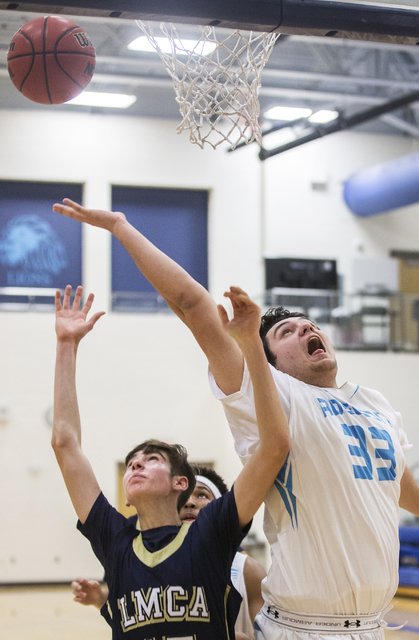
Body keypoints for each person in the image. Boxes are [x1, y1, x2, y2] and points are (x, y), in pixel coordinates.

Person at [53, 199, 419, 640]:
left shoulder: (376, 405)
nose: (305, 329)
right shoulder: (272, 393)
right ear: (270, 364)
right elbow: (193, 304)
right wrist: (121, 227)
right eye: (287, 332)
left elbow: (404, 491)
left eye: (309, 325)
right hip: (300, 627)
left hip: (373, 627)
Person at [52, 283, 289, 640]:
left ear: (182, 483)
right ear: (126, 497)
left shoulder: (209, 534)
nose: (136, 466)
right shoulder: (116, 541)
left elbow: (273, 448)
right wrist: (66, 345)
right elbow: (65, 444)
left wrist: (251, 345)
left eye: (151, 459)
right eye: (132, 463)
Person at [72, 465, 266, 640]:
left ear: (221, 508)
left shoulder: (247, 570)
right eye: (184, 496)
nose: (190, 502)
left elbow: (267, 632)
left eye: (201, 495)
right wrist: (100, 600)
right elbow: (135, 620)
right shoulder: (144, 560)